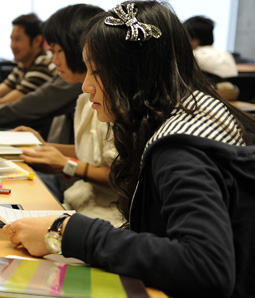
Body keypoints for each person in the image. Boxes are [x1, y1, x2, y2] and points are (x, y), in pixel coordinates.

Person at [3, 1, 255, 297]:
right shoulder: (194, 110)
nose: (86, 86)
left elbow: (207, 266)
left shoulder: (179, 151)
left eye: (96, 72)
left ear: (134, 74)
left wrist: (65, 231)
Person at [13, 4, 123, 226]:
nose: (53, 61)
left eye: (56, 51)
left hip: (105, 215)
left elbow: (122, 174)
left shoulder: (112, 102)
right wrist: (43, 145)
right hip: (78, 200)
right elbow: (92, 152)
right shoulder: (84, 98)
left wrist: (66, 164)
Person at [0, 75, 82, 141]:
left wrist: (44, 147)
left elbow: (21, 108)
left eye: (57, 53)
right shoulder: (22, 66)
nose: (55, 61)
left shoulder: (74, 80)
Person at [0, 13, 57, 104]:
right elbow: (5, 87)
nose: (12, 45)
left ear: (37, 41)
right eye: (12, 39)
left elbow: (8, 103)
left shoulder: (43, 64)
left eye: (17, 39)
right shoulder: (24, 63)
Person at [183, 15, 239, 101]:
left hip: (212, 98)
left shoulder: (196, 56)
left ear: (195, 41)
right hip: (235, 98)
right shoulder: (226, 53)